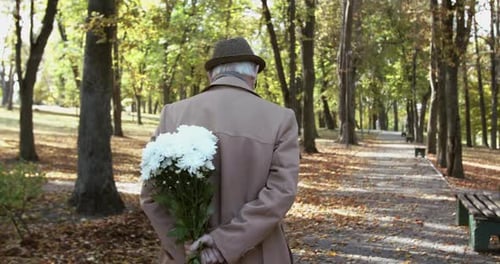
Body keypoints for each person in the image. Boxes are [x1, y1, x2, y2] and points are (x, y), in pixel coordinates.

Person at [140, 37, 300, 264]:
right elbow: (281, 193)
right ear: (254, 73)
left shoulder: (173, 114)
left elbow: (152, 195)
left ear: (211, 74)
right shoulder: (281, 119)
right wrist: (224, 244)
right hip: (258, 254)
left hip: (188, 253)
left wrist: (186, 249)